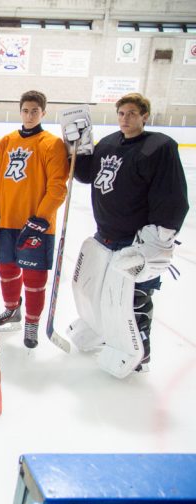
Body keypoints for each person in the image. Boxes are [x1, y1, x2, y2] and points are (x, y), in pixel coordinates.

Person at [68, 93, 188, 376]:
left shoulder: (159, 147)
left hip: (136, 239)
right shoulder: (109, 143)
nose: (126, 119)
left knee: (134, 298)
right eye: (121, 113)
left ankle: (140, 352)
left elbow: (172, 194)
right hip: (105, 233)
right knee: (94, 290)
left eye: (132, 113)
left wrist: (160, 237)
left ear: (145, 116)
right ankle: (101, 330)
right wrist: (77, 145)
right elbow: (86, 175)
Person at [0, 90, 69, 348]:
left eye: (35, 111)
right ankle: (12, 309)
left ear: (43, 113)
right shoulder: (7, 141)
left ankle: (33, 323)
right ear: (20, 111)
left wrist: (41, 218)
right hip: (6, 221)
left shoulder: (52, 144)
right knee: (7, 271)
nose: (29, 115)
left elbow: (58, 187)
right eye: (25, 110)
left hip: (36, 225)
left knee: (34, 279)